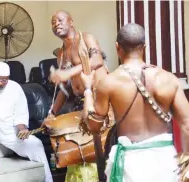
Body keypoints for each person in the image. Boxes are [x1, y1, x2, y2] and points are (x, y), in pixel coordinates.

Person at [80, 23, 189, 182]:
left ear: (117, 47)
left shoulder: (109, 83)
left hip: (130, 165)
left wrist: (88, 89)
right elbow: (187, 124)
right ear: (144, 46)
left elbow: (94, 126)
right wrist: (186, 165)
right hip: (166, 162)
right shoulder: (168, 79)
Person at [47, 10, 110, 181]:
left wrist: (68, 73)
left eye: (60, 20)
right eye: (53, 22)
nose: (56, 24)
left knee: (99, 150)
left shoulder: (86, 38)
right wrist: (52, 113)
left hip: (98, 100)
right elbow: (64, 88)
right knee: (78, 151)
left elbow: (97, 61)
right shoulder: (61, 53)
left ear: (71, 21)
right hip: (79, 102)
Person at [0, 62, 53, 182]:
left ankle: (48, 180)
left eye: (4, 80)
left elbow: (20, 115)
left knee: (36, 144)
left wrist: (22, 129)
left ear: (9, 77)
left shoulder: (16, 88)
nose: (0, 83)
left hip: (9, 131)